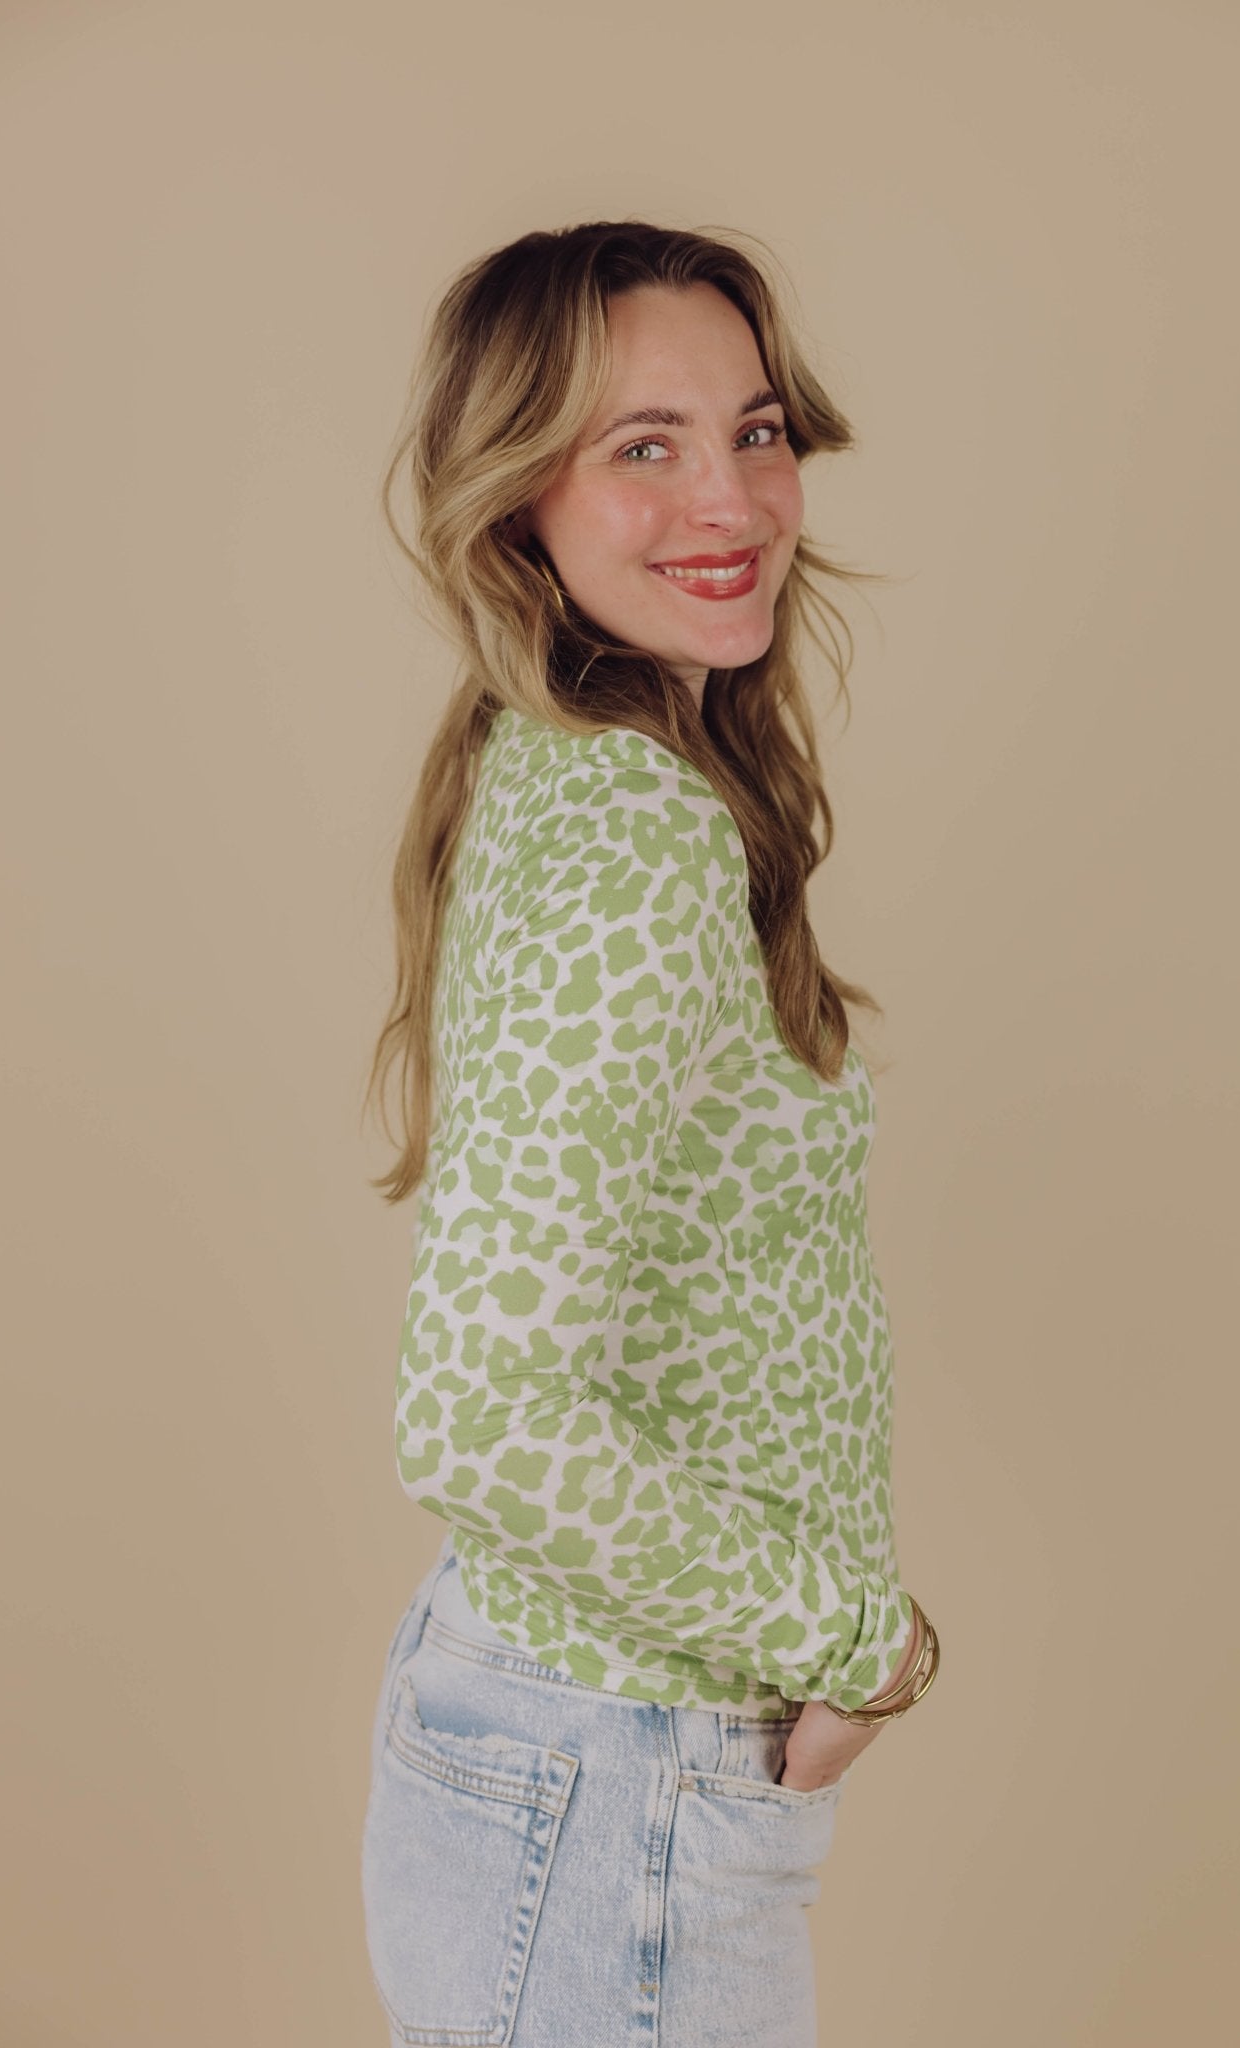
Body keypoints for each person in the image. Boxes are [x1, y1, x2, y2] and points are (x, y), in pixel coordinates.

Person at [359, 218, 940, 2048]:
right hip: (612, 1775)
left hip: (581, 1758)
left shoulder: (576, 761)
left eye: (755, 431)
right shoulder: (632, 832)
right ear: (518, 498)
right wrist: (863, 1642)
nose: (730, 501)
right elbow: (477, 1407)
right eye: (642, 445)